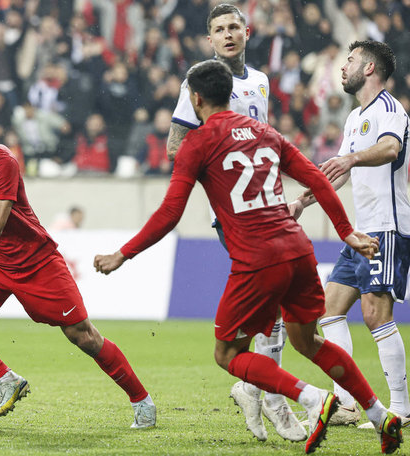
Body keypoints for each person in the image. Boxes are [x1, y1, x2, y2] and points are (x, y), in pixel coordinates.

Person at [94, 60, 403, 454]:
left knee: (227, 354)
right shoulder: (266, 132)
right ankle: (379, 414)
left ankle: (312, 398)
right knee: (307, 340)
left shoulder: (196, 144)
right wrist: (346, 231)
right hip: (298, 251)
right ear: (229, 93)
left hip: (258, 261)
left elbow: (170, 213)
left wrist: (123, 253)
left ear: (196, 98)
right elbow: (315, 177)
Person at [0, 97, 155, 428]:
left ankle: (141, 400)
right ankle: (7, 380)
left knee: (83, 336)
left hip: (35, 261)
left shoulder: (0, 161)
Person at [165, 4, 302, 442]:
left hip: (268, 206)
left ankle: (253, 388)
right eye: (219, 29)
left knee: (271, 307)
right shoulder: (199, 83)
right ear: (209, 39)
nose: (227, 34)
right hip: (232, 213)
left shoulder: (260, 81)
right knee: (274, 303)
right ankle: (274, 399)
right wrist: (221, 166)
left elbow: (263, 143)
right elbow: (174, 146)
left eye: (233, 27)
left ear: (247, 32)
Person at [290, 40, 410, 427]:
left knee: (375, 314)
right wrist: (302, 202)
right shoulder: (354, 117)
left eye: (351, 60)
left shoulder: (390, 109)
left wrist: (352, 158)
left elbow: (390, 149)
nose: (343, 67)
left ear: (370, 68)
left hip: (387, 227)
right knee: (329, 310)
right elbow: (337, 173)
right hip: (361, 232)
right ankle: (345, 403)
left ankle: (402, 407)